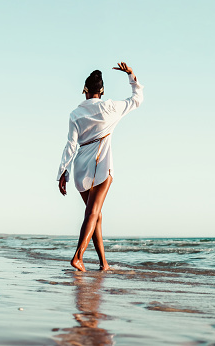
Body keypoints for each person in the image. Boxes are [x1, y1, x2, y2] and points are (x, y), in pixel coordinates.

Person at [57, 62, 144, 271]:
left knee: (95, 214)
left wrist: (62, 173)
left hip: (79, 168)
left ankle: (103, 263)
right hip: (100, 165)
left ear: (85, 91)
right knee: (93, 212)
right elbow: (137, 99)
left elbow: (70, 145)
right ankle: (78, 257)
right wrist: (131, 75)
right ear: (102, 91)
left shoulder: (75, 114)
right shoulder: (111, 107)